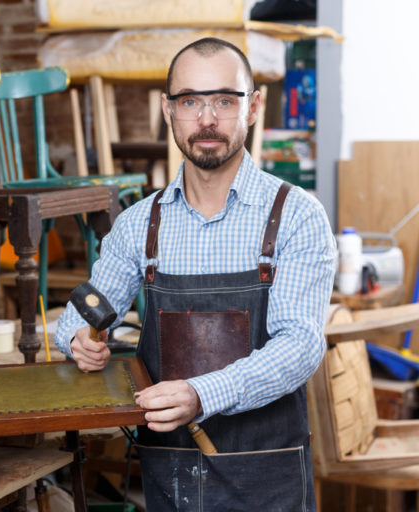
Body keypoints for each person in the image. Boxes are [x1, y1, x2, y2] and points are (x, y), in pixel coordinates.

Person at [56, 37, 336, 511]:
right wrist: (79, 341)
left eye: (225, 100)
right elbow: (80, 315)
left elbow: (301, 345)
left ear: (253, 107)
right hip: (172, 476)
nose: (207, 119)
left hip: (268, 476)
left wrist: (201, 394)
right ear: (169, 111)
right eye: (190, 101)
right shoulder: (139, 224)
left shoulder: (297, 216)